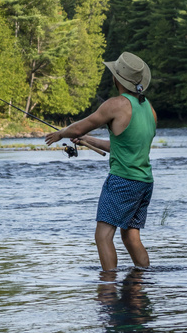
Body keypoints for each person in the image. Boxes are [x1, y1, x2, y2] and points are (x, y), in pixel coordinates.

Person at [45, 52, 157, 275]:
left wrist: (61, 133)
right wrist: (87, 140)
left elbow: (79, 127)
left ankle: (108, 287)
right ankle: (143, 282)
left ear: (117, 79)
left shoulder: (116, 105)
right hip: (144, 182)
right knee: (130, 235)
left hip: (122, 181)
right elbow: (122, 146)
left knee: (103, 236)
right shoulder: (149, 110)